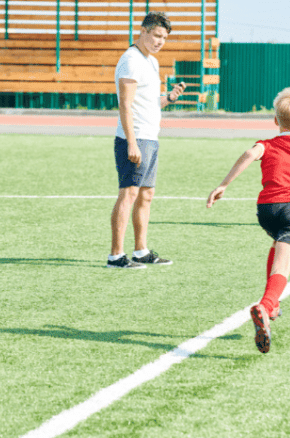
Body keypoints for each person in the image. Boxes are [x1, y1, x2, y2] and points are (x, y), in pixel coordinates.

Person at [207, 87, 290, 354]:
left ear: (276, 121)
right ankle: (265, 306)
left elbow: (249, 154)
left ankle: (273, 306)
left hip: (266, 210)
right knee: (285, 262)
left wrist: (224, 185)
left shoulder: (268, 143)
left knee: (278, 245)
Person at [107, 11, 186, 269]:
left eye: (164, 37)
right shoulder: (131, 60)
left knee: (146, 195)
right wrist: (131, 142)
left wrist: (170, 98)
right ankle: (116, 256)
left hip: (151, 138)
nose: (160, 41)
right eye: (156, 35)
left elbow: (152, 103)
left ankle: (141, 251)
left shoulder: (150, 61)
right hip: (135, 138)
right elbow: (125, 106)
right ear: (143, 31)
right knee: (128, 194)